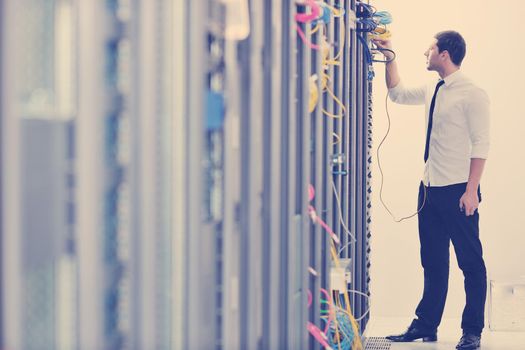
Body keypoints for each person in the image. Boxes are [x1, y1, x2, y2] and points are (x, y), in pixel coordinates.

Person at [373, 31, 490, 350]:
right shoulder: (433, 87)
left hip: (458, 191)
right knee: (433, 261)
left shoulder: (472, 94)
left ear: (445, 54)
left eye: (431, 48)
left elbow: (481, 143)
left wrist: (472, 190)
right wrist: (389, 55)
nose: (426, 51)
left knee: (471, 263)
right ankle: (426, 325)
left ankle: (472, 331)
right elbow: (396, 93)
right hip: (429, 189)